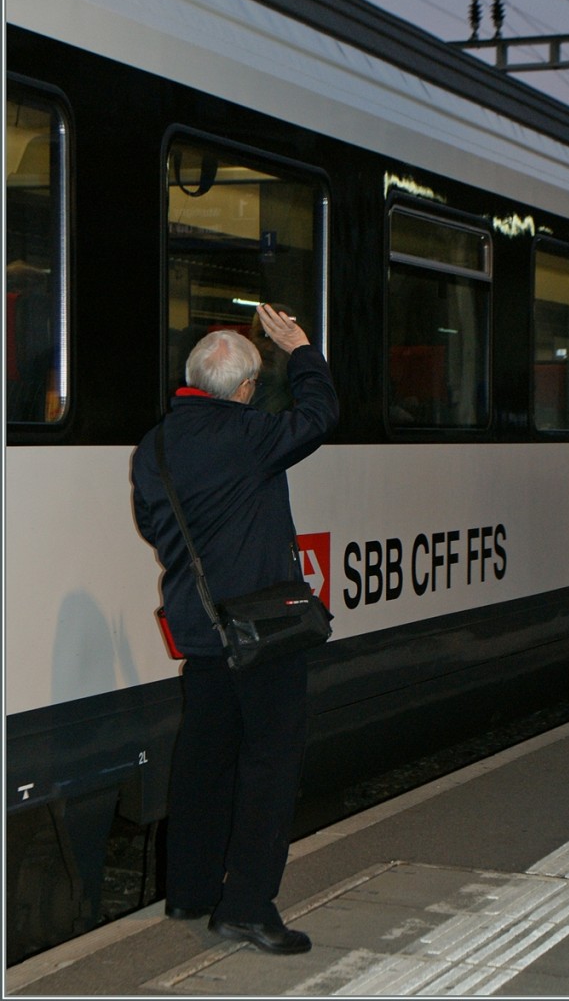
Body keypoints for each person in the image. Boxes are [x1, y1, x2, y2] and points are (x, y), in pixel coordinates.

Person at [131, 305, 339, 955]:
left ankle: (189, 891)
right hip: (262, 632)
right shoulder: (250, 435)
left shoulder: (154, 446)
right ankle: (246, 907)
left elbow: (153, 525)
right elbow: (320, 415)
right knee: (270, 762)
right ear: (246, 389)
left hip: (200, 629)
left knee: (203, 761)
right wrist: (300, 350)